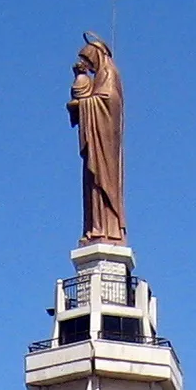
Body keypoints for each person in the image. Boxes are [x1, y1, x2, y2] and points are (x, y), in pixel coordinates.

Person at [67, 35, 126, 243]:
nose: (88, 65)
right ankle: (96, 227)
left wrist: (83, 104)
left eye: (89, 60)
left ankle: (108, 228)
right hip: (95, 140)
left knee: (102, 179)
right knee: (92, 183)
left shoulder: (109, 74)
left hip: (104, 143)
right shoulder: (99, 76)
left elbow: (109, 101)